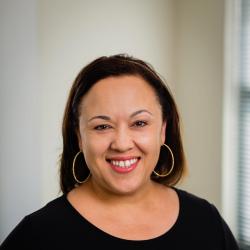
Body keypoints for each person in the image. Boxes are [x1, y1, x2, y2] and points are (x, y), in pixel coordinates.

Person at [0, 54, 239, 249]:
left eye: (140, 123)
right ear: (79, 136)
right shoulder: (37, 236)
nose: (122, 144)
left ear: (163, 130)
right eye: (102, 126)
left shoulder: (206, 221)